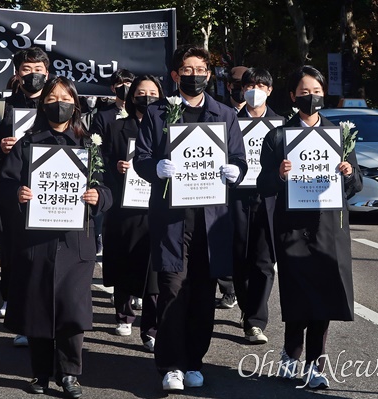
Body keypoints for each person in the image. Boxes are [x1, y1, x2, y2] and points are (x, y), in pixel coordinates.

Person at [134, 45, 247, 391]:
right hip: (172, 218)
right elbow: (141, 158)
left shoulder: (225, 115)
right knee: (171, 288)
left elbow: (240, 161)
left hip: (210, 219)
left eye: (200, 69)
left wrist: (235, 171)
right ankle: (171, 364)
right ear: (175, 75)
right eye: (187, 69)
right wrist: (156, 167)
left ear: (209, 76)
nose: (194, 75)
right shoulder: (157, 113)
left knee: (201, 291)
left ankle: (195, 359)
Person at [0, 76, 112, 398]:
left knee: (72, 309)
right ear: (43, 102)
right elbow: (3, 185)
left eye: (65, 97)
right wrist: (17, 194)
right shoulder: (27, 143)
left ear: (75, 103)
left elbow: (106, 189)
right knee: (38, 307)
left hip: (76, 242)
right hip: (36, 242)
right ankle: (40, 373)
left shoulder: (89, 144)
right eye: (52, 97)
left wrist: (97, 197)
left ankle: (71, 373)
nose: (58, 103)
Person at [257, 65, 363, 389]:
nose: (311, 97)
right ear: (292, 96)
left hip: (330, 227)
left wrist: (347, 172)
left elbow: (356, 183)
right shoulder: (278, 136)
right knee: (298, 293)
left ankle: (317, 363)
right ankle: (291, 354)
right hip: (293, 227)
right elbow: (262, 185)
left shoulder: (339, 135)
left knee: (326, 293)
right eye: (304, 92)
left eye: (316, 92)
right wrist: (279, 174)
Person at [0, 47, 50, 348]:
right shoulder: (0, 109)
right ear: (16, 73)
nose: (32, 75)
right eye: (26, 69)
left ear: (47, 72)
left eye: (38, 69)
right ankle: (13, 301)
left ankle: (43, 311)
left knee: (44, 254)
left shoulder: (59, 103)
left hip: (48, 193)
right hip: (11, 192)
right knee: (12, 251)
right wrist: (1, 150)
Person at [102, 75, 163, 351]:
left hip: (156, 205)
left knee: (153, 268)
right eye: (141, 92)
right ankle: (124, 314)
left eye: (152, 92)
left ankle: (151, 327)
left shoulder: (167, 127)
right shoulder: (117, 128)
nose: (147, 97)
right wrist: (116, 168)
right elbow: (98, 161)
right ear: (131, 96)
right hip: (123, 206)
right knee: (123, 258)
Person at [231, 67, 280, 344]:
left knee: (264, 261)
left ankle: (255, 321)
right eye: (250, 85)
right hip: (237, 198)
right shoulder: (229, 121)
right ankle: (245, 304)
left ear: (270, 90)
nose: (255, 90)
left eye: (261, 85)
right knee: (239, 258)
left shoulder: (281, 125)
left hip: (268, 199)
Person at [89, 68, 136, 255]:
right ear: (112, 88)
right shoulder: (103, 115)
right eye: (120, 85)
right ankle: (100, 237)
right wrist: (110, 166)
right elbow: (97, 146)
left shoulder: (142, 112)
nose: (125, 88)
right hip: (111, 174)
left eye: (129, 84)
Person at [215, 65, 249, 309]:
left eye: (248, 86)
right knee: (223, 240)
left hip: (249, 189)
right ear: (229, 86)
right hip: (216, 185)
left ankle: (240, 290)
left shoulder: (263, 115)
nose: (244, 91)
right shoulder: (219, 112)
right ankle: (228, 288)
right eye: (238, 85)